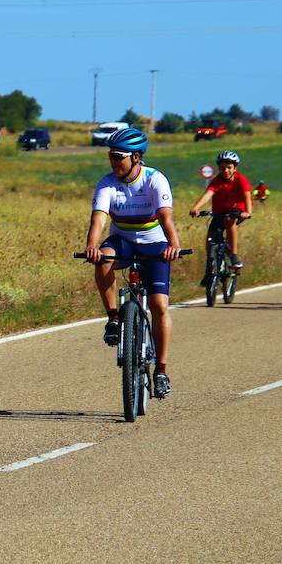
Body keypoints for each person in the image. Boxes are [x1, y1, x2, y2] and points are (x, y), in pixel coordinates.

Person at [82, 126, 183, 398]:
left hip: (154, 243)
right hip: (122, 240)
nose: (113, 162)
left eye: (118, 157)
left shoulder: (154, 179)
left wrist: (174, 244)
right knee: (103, 260)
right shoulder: (107, 183)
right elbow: (99, 220)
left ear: (136, 157)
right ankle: (114, 318)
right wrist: (92, 246)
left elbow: (165, 217)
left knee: (160, 305)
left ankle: (161, 370)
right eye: (111, 156)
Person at [188, 150, 252, 271]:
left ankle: (233, 255)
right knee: (210, 238)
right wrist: (196, 207)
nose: (226, 171)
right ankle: (210, 267)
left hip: (236, 211)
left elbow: (247, 197)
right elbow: (208, 194)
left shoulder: (241, 180)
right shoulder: (217, 180)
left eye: (229, 167)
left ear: (235, 168)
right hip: (219, 212)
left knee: (229, 220)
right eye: (222, 168)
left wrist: (248, 212)